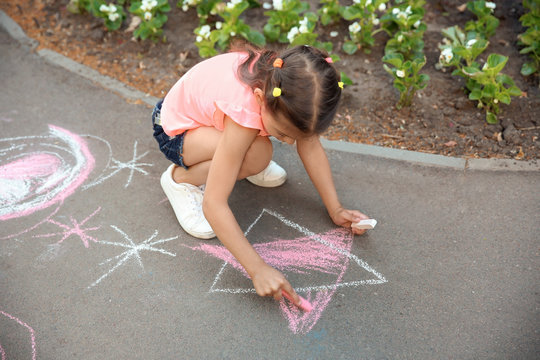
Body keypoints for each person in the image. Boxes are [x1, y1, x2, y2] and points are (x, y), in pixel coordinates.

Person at [151, 44, 370, 306]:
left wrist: (336, 208)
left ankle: (244, 158)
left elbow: (309, 144)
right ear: (258, 100)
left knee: (258, 151)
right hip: (175, 132)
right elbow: (214, 204)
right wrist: (258, 269)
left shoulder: (287, 84)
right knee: (257, 155)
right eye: (283, 133)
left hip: (208, 120)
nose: (289, 143)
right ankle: (180, 180)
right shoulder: (245, 111)